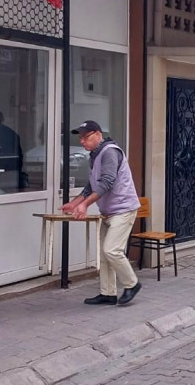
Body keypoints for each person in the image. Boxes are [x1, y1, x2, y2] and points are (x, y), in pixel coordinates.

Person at [62, 120, 142, 306]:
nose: (82, 141)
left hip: (123, 209)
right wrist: (75, 203)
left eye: (86, 137)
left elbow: (106, 182)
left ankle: (132, 284)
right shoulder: (95, 155)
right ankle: (108, 293)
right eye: (80, 138)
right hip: (108, 211)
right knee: (104, 256)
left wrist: (85, 206)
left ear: (98, 134)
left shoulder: (109, 152)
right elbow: (93, 184)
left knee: (112, 250)